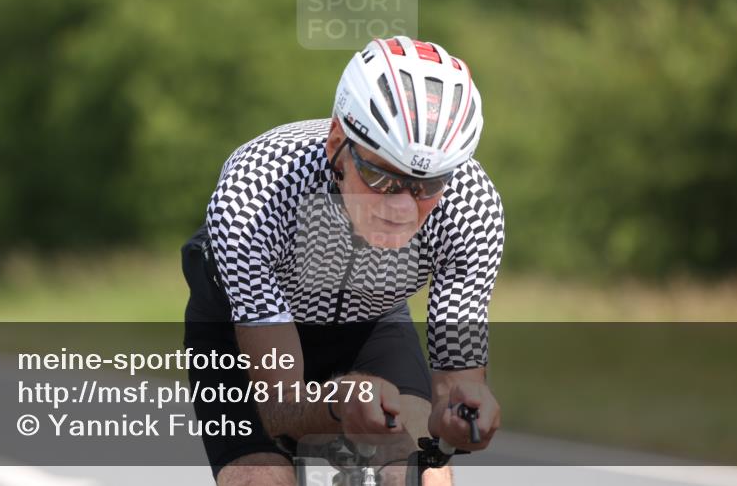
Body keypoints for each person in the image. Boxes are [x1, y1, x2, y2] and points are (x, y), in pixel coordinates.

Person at [182, 36, 505, 486]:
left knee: (422, 475)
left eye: (427, 185)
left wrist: (459, 419)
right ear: (337, 142)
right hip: (240, 330)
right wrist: (338, 404)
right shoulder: (255, 194)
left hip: (370, 319)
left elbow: (456, 382)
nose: (401, 207)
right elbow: (280, 409)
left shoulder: (471, 206)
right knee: (262, 478)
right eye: (380, 176)